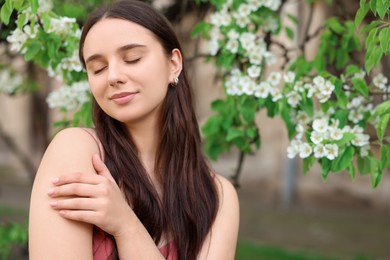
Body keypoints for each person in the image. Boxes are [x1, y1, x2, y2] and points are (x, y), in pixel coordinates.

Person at [28, 0, 239, 259]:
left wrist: (126, 226)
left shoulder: (216, 197)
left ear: (173, 63)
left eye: (132, 58)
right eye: (98, 68)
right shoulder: (77, 153)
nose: (113, 76)